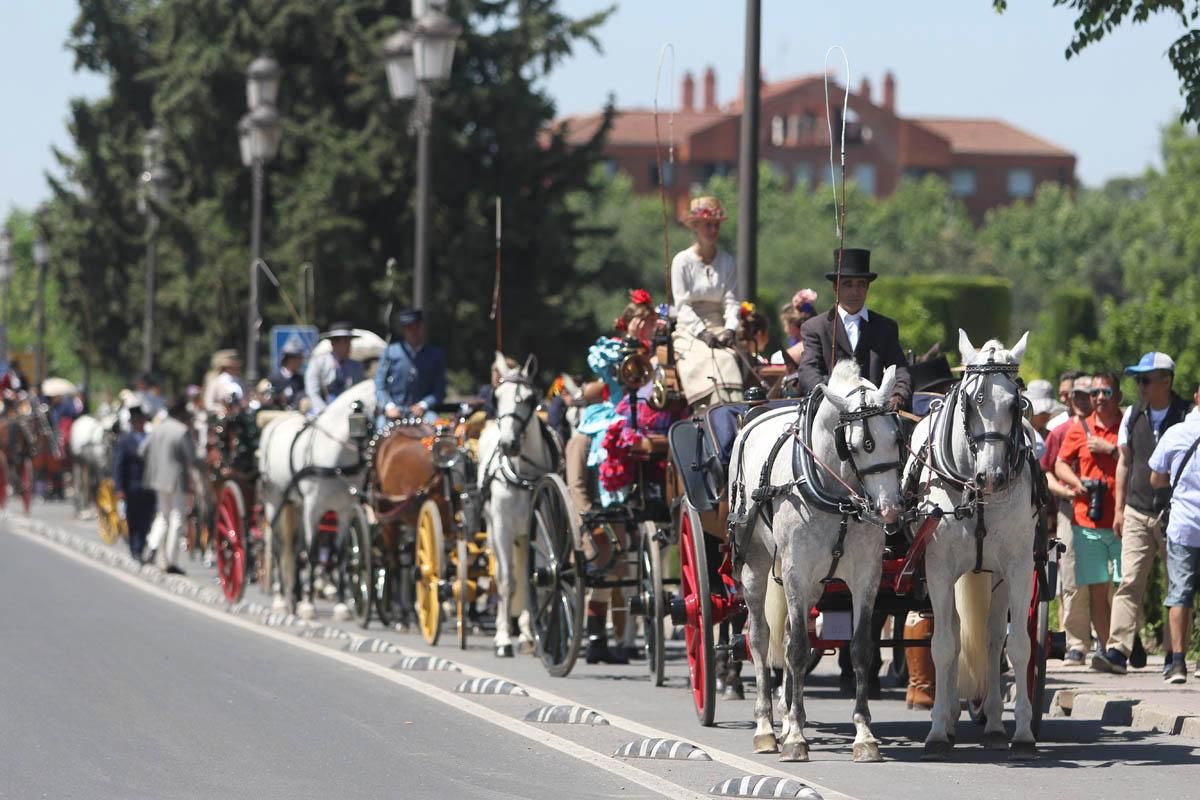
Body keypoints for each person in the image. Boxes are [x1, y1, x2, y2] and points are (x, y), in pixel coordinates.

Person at [1093, 352, 1193, 674]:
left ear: (1166, 381)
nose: (1140, 386)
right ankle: (1117, 651)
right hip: (1136, 508)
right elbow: (1124, 462)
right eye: (1138, 379)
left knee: (1175, 586)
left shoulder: (1187, 416)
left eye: (1146, 379)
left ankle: (1172, 654)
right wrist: (1119, 508)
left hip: (1176, 513)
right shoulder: (1133, 414)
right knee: (1130, 580)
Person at [1056, 371, 1124, 657]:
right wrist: (1076, 483)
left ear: (1117, 396)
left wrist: (1111, 450)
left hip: (1122, 521)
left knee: (1124, 588)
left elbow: (1142, 463)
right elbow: (1059, 464)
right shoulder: (1078, 428)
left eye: (1105, 393)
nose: (1098, 398)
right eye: (1095, 393)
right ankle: (1108, 649)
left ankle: (1125, 644)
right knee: (1097, 590)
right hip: (1087, 521)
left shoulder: (1127, 425)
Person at [794, 248, 911, 411]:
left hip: (876, 412)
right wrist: (829, 399)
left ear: (868, 287)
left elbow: (899, 369)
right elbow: (808, 369)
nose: (855, 291)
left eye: (861, 284)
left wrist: (897, 396)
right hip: (833, 412)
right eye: (847, 284)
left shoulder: (885, 327)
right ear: (835, 287)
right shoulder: (815, 327)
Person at [1149, 382, 1200, 683]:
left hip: (1184, 525)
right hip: (1185, 524)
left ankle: (1178, 663)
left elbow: (1156, 478)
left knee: (1180, 593)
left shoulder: (1177, 433)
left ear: (1196, 397)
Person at [670, 196, 742, 407]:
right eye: (708, 225)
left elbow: (731, 301)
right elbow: (682, 306)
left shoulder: (727, 261)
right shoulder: (682, 261)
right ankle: (708, 412)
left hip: (719, 328)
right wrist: (701, 332)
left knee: (728, 358)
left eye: (716, 225)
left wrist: (730, 329)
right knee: (716, 360)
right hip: (689, 331)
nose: (713, 230)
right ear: (695, 227)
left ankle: (732, 413)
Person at [1042, 375, 1094, 664]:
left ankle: (1110, 641)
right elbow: (1047, 472)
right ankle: (1076, 643)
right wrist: (1068, 492)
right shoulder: (1060, 432)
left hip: (1107, 512)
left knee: (1108, 579)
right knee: (1071, 575)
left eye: (1089, 395)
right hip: (1070, 510)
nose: (1083, 401)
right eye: (1078, 396)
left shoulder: (1113, 429)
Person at [143, 396, 201, 574]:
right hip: (176, 480)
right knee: (176, 518)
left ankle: (152, 547)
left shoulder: (157, 428)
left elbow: (142, 449)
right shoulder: (181, 431)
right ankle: (170, 560)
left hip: (157, 478)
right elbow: (191, 458)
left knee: (162, 515)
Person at [375, 308, 447, 427]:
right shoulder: (390, 352)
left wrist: (423, 405)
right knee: (380, 431)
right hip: (394, 411)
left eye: (416, 327)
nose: (413, 332)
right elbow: (380, 385)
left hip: (423, 413)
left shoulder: (435, 355)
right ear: (403, 330)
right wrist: (389, 406)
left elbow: (440, 390)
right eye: (409, 328)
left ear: (422, 327)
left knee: (438, 430)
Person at [112, 402, 155, 560]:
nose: (139, 423)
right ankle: (135, 548)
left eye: (141, 420)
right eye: (137, 421)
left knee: (147, 517)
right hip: (132, 485)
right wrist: (119, 488)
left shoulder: (150, 438)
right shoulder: (125, 441)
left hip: (148, 485)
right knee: (133, 518)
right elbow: (118, 465)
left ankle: (141, 545)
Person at [305, 321, 365, 416]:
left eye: (349, 341)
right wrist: (325, 412)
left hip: (348, 412)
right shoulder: (318, 363)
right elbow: (312, 392)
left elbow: (359, 392)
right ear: (333, 343)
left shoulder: (357, 366)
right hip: (322, 412)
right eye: (344, 342)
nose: (349, 345)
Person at [772, 289, 818, 367]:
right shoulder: (826, 349)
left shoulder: (779, 358)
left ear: (793, 325)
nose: (785, 330)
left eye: (785, 325)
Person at [268, 342, 307, 410]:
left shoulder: (300, 380)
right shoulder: (274, 378)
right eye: (298, 358)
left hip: (295, 415)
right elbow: (268, 399)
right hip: (277, 415)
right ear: (289, 359)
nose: (301, 362)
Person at [203, 350, 243, 415]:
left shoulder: (240, 382)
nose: (234, 369)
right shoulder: (215, 382)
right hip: (221, 419)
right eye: (231, 367)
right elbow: (208, 404)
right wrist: (222, 409)